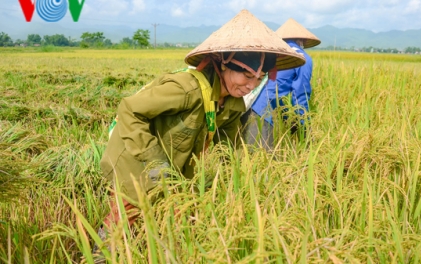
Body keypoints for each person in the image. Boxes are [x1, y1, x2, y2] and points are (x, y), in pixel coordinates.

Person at [95, 9, 305, 252]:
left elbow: (228, 149)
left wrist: (244, 183)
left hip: (174, 163)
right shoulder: (186, 90)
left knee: (174, 217)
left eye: (259, 80)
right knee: (125, 218)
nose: (251, 85)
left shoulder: (233, 105)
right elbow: (130, 110)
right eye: (246, 75)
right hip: (135, 156)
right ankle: (99, 256)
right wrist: (159, 169)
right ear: (223, 63)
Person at [241, 18, 321, 149]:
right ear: (303, 41)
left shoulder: (272, 54)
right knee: (265, 162)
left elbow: (274, 90)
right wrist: (302, 125)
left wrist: (287, 117)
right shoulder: (302, 58)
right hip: (262, 112)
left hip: (245, 105)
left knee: (244, 157)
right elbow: (300, 94)